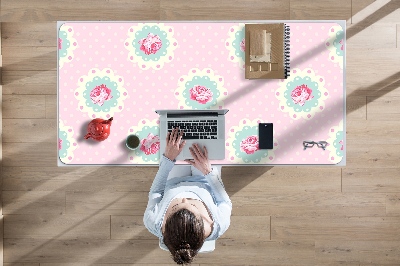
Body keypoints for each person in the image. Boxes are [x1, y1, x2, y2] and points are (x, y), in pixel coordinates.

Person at [144, 127, 232, 264]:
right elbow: (224, 202)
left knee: (174, 143)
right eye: (192, 205)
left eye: (176, 206)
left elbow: (156, 192)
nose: (184, 198)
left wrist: (168, 159)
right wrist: (208, 171)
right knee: (209, 139)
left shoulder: (153, 222)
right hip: (205, 180)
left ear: (165, 224)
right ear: (204, 222)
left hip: (174, 181)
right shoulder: (220, 224)